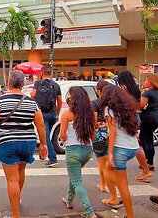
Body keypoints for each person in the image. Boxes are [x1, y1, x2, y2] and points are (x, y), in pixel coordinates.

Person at [0, 71, 48, 218]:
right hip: (28, 142)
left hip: (8, 142)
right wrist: (43, 144)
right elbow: (40, 124)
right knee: (20, 172)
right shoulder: (32, 102)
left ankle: (16, 215)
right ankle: (17, 198)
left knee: (12, 179)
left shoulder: (1, 100)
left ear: (9, 83)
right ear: (22, 84)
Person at [100, 85, 139, 218]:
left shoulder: (109, 110)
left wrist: (110, 153)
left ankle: (130, 215)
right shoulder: (127, 108)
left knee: (123, 185)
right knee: (106, 168)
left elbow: (113, 132)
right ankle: (113, 197)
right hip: (133, 148)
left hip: (120, 150)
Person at [59, 87, 98, 218]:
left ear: (72, 99)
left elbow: (62, 135)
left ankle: (90, 211)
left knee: (76, 181)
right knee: (74, 177)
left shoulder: (67, 114)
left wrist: (67, 137)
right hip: (87, 150)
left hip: (73, 150)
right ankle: (69, 200)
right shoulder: (91, 114)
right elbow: (93, 137)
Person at [117, 71, 152, 181]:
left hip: (128, 116)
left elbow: (121, 104)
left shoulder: (123, 88)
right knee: (134, 142)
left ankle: (145, 170)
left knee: (132, 143)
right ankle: (146, 170)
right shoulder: (135, 88)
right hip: (135, 116)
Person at [31, 65, 62, 167]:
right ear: (51, 73)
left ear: (42, 73)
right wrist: (57, 113)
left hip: (41, 114)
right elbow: (60, 101)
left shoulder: (38, 83)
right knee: (46, 135)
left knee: (45, 137)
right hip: (52, 114)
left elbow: (32, 94)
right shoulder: (56, 85)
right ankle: (43, 154)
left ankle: (53, 158)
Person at [139, 74, 158, 169]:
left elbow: (141, 105)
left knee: (147, 139)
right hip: (157, 116)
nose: (145, 82)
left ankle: (149, 162)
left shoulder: (147, 93)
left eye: (146, 80)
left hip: (148, 117)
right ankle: (147, 160)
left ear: (151, 82)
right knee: (145, 137)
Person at [91, 81, 111, 193]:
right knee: (108, 161)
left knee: (101, 163)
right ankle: (106, 184)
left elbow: (93, 121)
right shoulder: (113, 103)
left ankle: (103, 184)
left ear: (98, 92)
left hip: (99, 134)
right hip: (111, 133)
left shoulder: (95, 103)